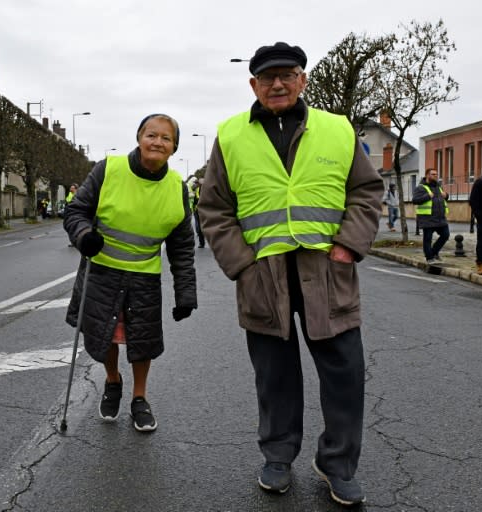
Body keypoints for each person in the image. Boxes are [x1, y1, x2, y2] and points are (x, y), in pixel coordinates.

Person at [197, 42, 382, 506]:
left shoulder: (337, 129)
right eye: (266, 77)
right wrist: (241, 263)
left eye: (287, 75)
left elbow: (366, 191)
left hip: (327, 271)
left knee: (345, 373)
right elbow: (214, 208)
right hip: (264, 277)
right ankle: (278, 456)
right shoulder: (231, 134)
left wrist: (347, 247)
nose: (277, 84)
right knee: (274, 376)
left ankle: (337, 464)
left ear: (302, 80)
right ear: (253, 84)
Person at [63, 113, 197, 432]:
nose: (157, 142)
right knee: (106, 335)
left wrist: (186, 293)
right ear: (138, 137)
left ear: (174, 148)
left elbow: (182, 246)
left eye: (166, 138)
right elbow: (76, 211)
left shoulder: (177, 188)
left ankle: (139, 397)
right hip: (102, 272)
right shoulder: (108, 169)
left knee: (142, 341)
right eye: (151, 135)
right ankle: (112, 380)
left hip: (144, 277)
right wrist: (84, 235)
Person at [412, 169, 449, 263]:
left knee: (445, 235)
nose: (436, 176)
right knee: (427, 239)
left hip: (440, 218)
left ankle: (434, 252)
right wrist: (428, 196)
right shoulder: (420, 187)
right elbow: (415, 200)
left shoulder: (438, 186)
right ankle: (429, 258)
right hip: (427, 218)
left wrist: (446, 195)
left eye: (436, 174)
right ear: (427, 175)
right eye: (433, 174)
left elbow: (442, 198)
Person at [192, 178, 205, 248]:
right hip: (198, 210)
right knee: (200, 228)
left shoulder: (205, 189)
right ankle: (201, 243)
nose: (195, 184)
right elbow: (195, 199)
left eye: (196, 183)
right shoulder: (197, 189)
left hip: (204, 210)